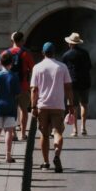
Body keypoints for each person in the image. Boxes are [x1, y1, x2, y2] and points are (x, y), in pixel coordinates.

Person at [30, 41, 74, 172]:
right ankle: (56, 154)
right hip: (58, 105)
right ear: (54, 52)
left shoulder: (37, 67)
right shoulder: (62, 67)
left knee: (43, 134)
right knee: (57, 132)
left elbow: (34, 89)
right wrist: (71, 104)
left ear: (43, 53)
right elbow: (68, 88)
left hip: (42, 105)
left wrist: (33, 107)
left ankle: (45, 162)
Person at [0, 50, 21, 162]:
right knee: (8, 131)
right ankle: (8, 155)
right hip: (10, 106)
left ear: (1, 63)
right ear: (11, 63)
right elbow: (17, 93)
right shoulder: (14, 76)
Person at [62, 32, 92, 137]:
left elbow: (63, 70)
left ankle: (75, 130)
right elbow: (89, 67)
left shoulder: (66, 55)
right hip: (85, 82)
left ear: (70, 43)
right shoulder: (85, 53)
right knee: (84, 104)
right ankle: (83, 128)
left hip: (72, 83)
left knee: (73, 107)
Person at [9, 31, 35, 142]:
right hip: (23, 85)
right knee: (24, 110)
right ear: (21, 41)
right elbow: (33, 68)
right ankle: (23, 134)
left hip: (10, 86)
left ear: (12, 40)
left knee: (12, 110)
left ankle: (13, 133)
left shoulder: (6, 53)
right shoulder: (26, 53)